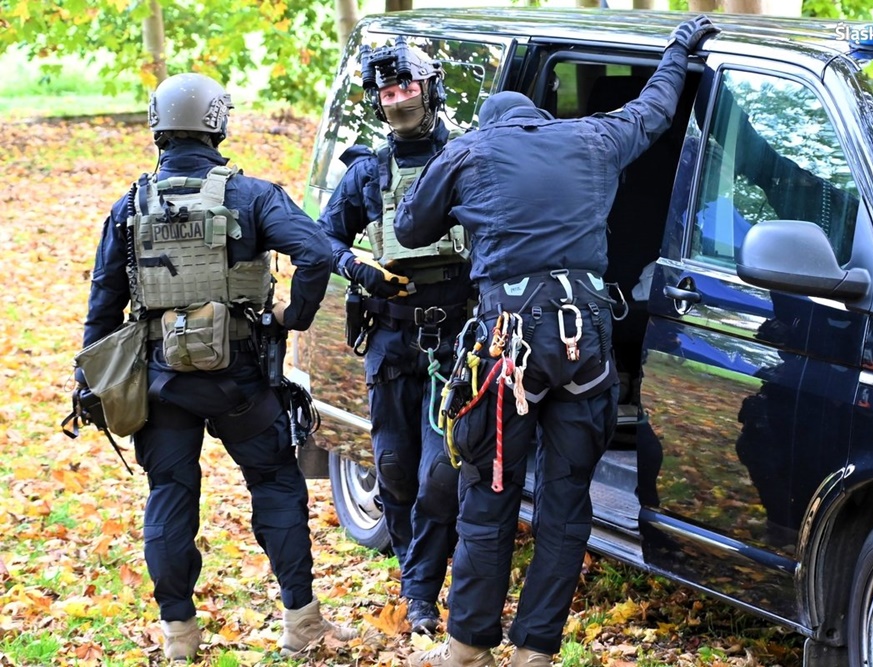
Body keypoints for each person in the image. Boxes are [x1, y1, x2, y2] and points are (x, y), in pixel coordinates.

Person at [395, 16, 721, 667]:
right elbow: (656, 109)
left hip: (505, 349)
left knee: (489, 497)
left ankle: (467, 646)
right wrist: (680, 47)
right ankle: (535, 652)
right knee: (567, 506)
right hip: (586, 347)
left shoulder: (468, 151)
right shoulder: (593, 137)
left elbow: (408, 228)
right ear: (540, 117)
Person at [76, 72, 352, 662]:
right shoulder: (251, 195)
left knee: (170, 495)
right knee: (276, 484)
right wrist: (290, 318)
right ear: (217, 122)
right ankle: (301, 623)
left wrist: (90, 380)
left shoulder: (130, 204)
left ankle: (179, 635)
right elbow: (317, 252)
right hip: (241, 381)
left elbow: (102, 302)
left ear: (158, 127)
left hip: (160, 381)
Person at [317, 40, 474, 635]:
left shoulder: (464, 159)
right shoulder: (367, 173)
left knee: (440, 476)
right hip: (389, 343)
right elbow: (318, 240)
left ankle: (420, 593)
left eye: (406, 85)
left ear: (429, 87)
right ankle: (416, 581)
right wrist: (354, 267)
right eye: (386, 90)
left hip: (456, 344)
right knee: (394, 468)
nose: (397, 96)